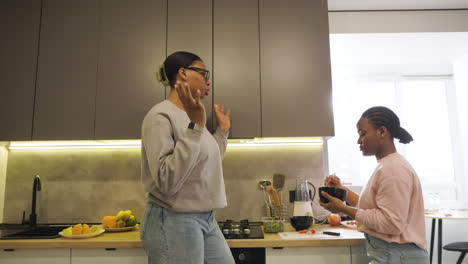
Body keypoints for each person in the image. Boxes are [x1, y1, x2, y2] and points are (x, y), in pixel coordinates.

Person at [140, 51, 235, 264]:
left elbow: (208, 162)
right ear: (183, 73)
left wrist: (222, 132)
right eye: (203, 73)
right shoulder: (160, 116)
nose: (207, 81)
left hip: (206, 217)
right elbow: (166, 180)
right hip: (173, 218)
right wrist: (197, 125)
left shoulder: (192, 116)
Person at [320, 106, 429, 264]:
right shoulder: (387, 165)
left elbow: (391, 224)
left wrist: (342, 208)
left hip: (397, 255)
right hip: (394, 253)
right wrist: (341, 190)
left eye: (362, 133)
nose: (359, 140)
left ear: (382, 132)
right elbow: (373, 210)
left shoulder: (393, 169)